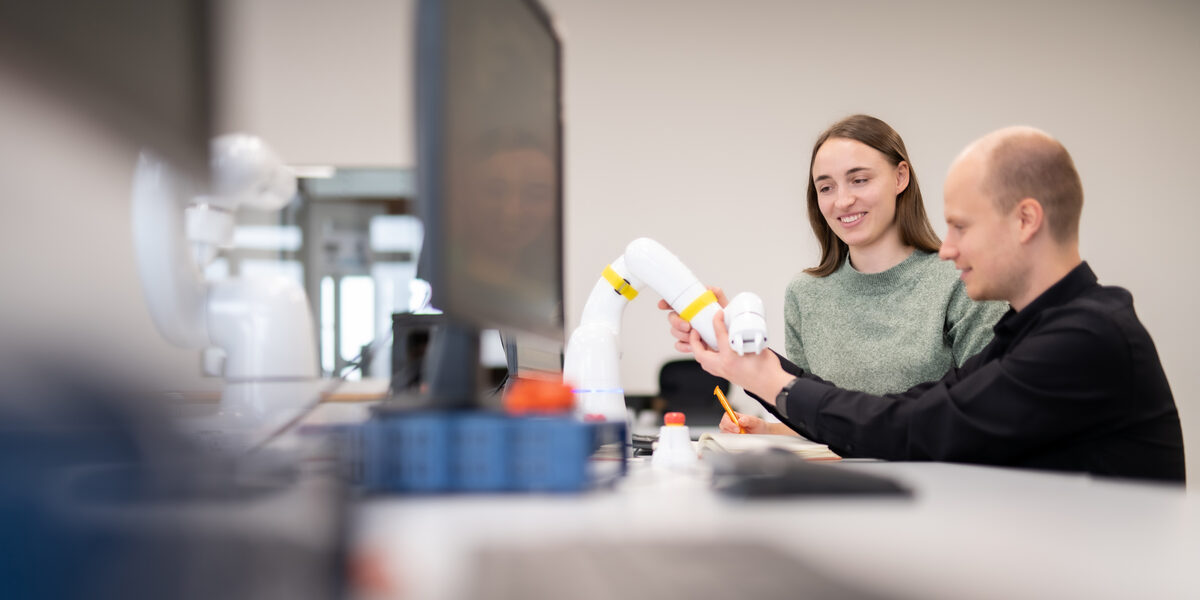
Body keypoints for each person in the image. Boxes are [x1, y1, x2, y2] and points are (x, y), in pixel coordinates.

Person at [669, 126, 1186, 482]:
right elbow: (910, 408)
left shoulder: (1083, 338)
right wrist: (755, 366)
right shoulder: (1031, 332)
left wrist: (767, 378)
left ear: (1026, 220)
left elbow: (916, 432)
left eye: (962, 226)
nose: (948, 247)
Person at [662, 115, 1006, 435]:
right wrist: (774, 430)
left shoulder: (962, 280)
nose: (842, 201)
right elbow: (818, 415)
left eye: (859, 180)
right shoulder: (805, 293)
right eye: (826, 187)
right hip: (839, 489)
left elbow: (980, 416)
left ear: (900, 177)